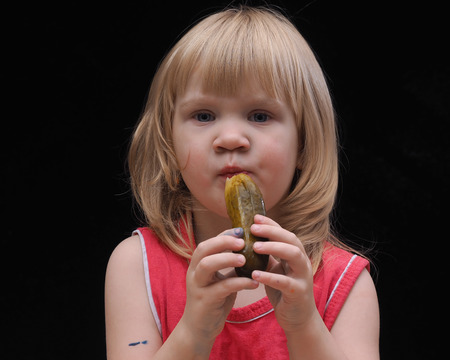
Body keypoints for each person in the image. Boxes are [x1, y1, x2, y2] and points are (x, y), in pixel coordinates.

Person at [105, 5, 380, 359]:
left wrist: (303, 326)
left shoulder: (345, 282)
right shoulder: (135, 266)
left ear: (305, 144)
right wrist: (194, 331)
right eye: (203, 115)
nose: (231, 138)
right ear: (169, 145)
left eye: (260, 115)